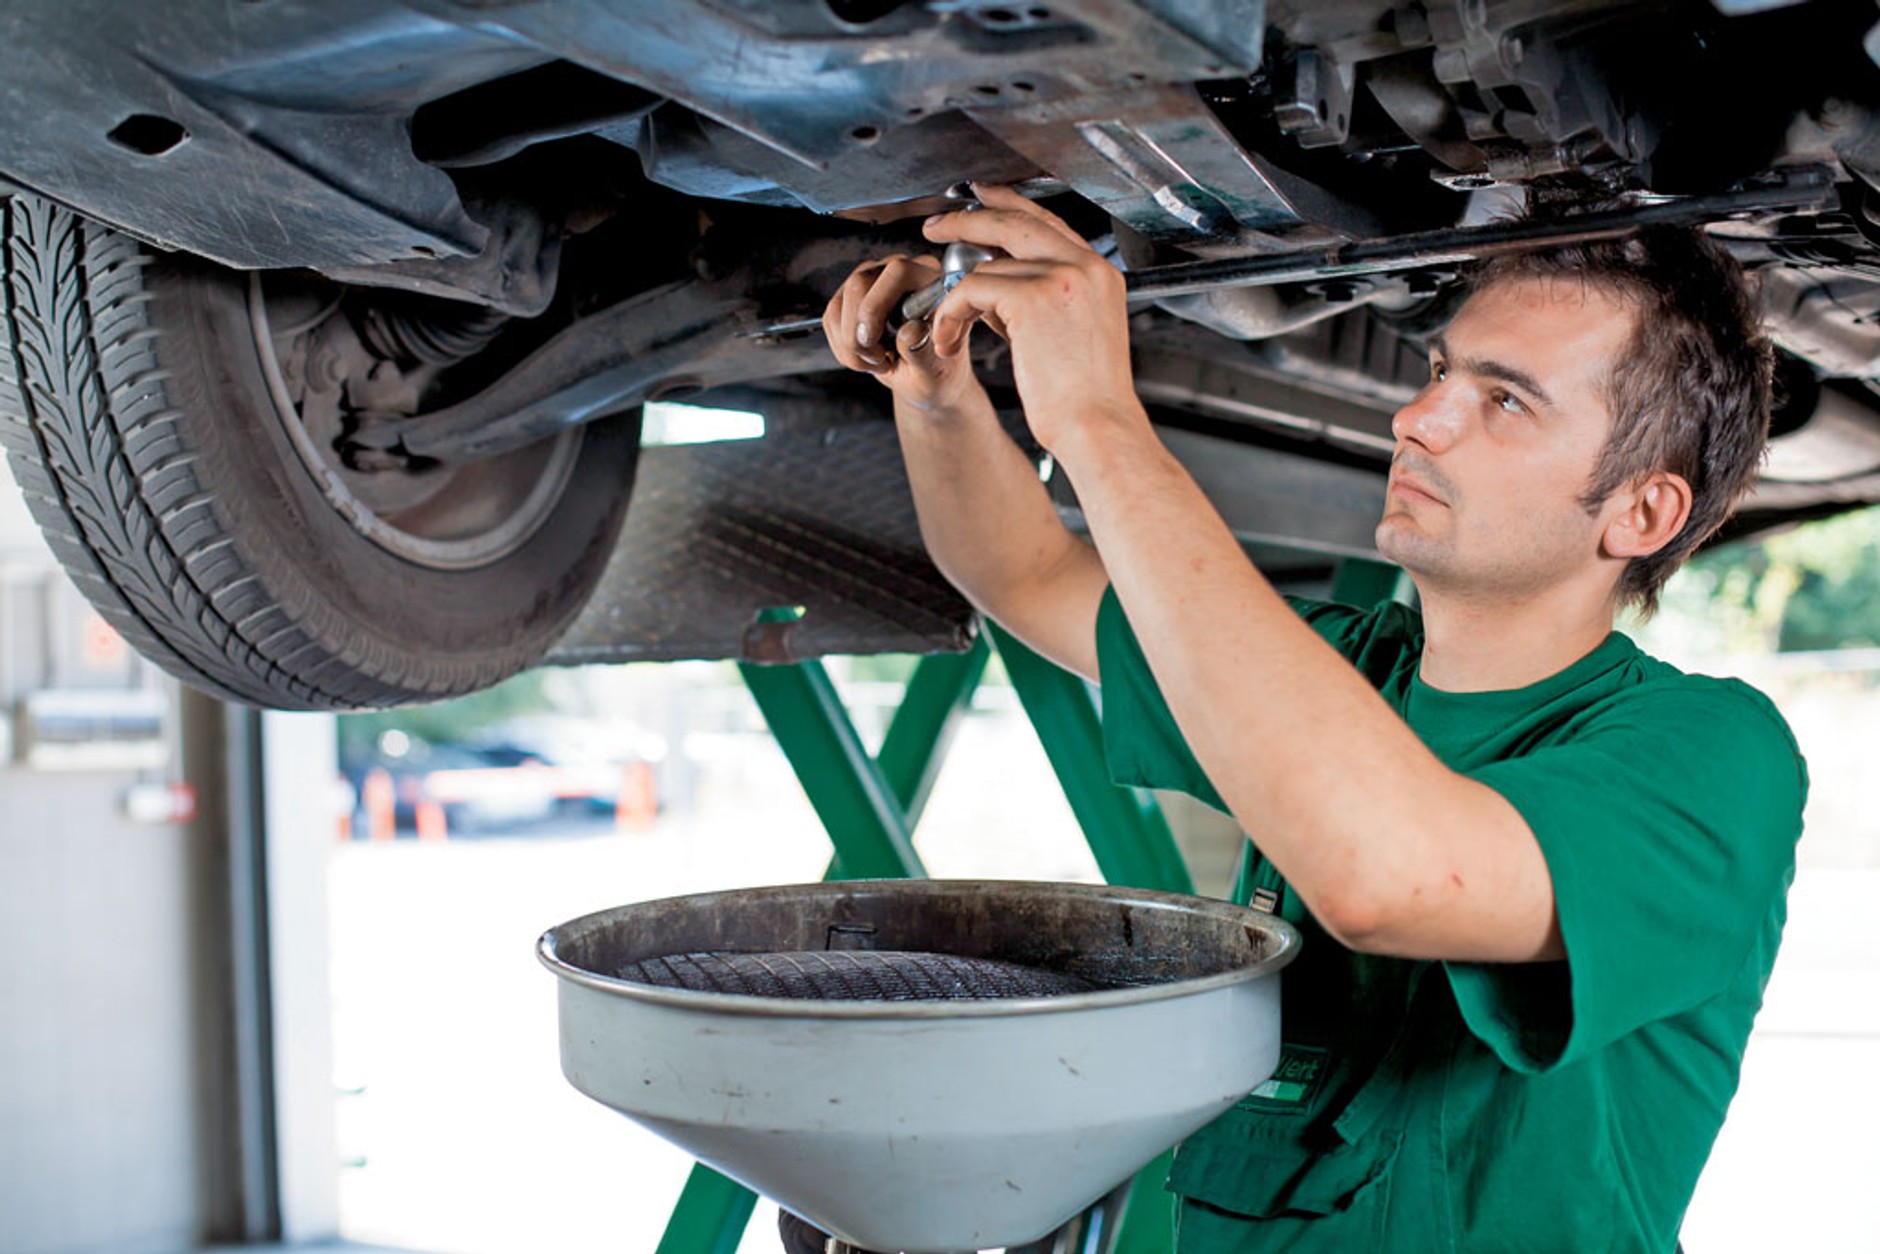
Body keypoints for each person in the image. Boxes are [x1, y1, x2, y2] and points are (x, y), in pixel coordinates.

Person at [800, 184, 1807, 1252]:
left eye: (1503, 400)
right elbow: (1028, 567)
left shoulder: (1711, 756)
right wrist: (938, 391)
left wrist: (1098, 420)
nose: (1416, 419)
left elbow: (1393, 881)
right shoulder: (1338, 666)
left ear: (1640, 512)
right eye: (1438, 373)